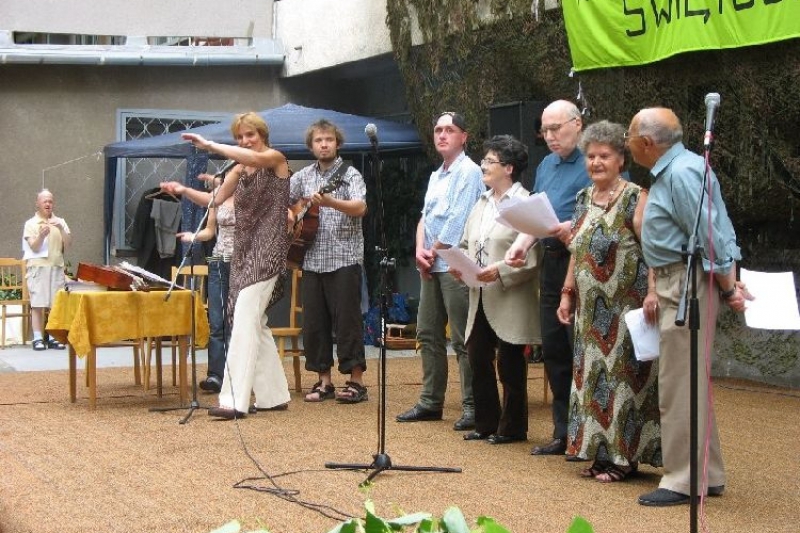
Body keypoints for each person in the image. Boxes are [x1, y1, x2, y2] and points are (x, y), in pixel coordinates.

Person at [626, 107, 751, 505]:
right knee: (688, 378)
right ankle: (706, 473)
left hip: (686, 280)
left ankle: (682, 479)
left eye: (630, 137)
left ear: (646, 143)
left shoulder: (682, 172)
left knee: (680, 382)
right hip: (677, 278)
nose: (628, 144)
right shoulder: (678, 169)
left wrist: (730, 286)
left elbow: (710, 234)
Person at [162, 112, 292, 419]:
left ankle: (233, 399)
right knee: (254, 322)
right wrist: (182, 191)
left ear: (262, 134)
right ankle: (274, 395)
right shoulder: (238, 169)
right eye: (240, 137)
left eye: (250, 135)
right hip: (243, 252)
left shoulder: (275, 159)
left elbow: (254, 159)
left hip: (268, 250)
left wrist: (210, 145)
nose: (246, 141)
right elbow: (215, 198)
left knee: (245, 317)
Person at [556, 120, 661, 482]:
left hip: (625, 308)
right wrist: (567, 292)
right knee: (592, 382)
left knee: (623, 382)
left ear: (620, 159)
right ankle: (600, 452)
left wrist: (652, 290)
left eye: (604, 156)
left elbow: (653, 251)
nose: (595, 162)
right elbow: (576, 248)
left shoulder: (636, 196)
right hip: (590, 311)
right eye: (590, 156)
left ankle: (624, 458)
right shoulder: (584, 198)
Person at [505, 100, 591, 456]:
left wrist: (571, 227)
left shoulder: (594, 160)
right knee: (554, 348)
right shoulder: (546, 165)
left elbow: (608, 210)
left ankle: (588, 433)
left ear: (578, 123)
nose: (551, 137)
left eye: (557, 128)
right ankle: (562, 430)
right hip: (551, 260)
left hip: (583, 261)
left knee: (581, 349)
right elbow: (539, 214)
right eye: (545, 130)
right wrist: (522, 244)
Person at [396, 111, 485, 430]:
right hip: (431, 264)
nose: (442, 135)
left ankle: (474, 406)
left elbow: (457, 220)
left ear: (464, 137)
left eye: (450, 130)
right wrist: (420, 251)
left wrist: (430, 254)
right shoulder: (437, 175)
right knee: (427, 333)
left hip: (454, 264)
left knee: (463, 337)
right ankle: (431, 401)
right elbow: (425, 218)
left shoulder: (470, 171)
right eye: (438, 130)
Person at [451, 135, 541, 444]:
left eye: (490, 162)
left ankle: (513, 427)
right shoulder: (481, 202)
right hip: (479, 294)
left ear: (509, 168)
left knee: (510, 363)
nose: (483, 166)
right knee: (476, 355)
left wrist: (499, 271)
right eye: (484, 161)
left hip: (511, 296)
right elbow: (466, 242)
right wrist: (458, 264)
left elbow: (530, 259)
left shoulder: (526, 203)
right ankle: (485, 422)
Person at [289, 119, 369, 404]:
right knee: (315, 322)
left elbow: (360, 207)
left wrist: (332, 202)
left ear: (337, 143)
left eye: (329, 140)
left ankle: (356, 381)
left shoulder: (350, 174)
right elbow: (286, 205)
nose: (324, 144)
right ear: (311, 146)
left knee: (347, 321)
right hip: (311, 257)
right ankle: (324, 381)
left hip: (344, 256)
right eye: (319, 140)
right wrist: (293, 217)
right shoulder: (302, 177)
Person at [176, 180, 234, 394]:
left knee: (237, 321)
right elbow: (210, 231)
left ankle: (238, 375)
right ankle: (215, 375)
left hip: (243, 263)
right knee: (217, 321)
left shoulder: (251, 195)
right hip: (219, 261)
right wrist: (194, 236)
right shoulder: (217, 197)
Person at [23, 189, 71, 351]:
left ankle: (53, 337)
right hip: (38, 267)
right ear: (37, 203)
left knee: (55, 304)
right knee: (38, 303)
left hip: (56, 266)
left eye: (50, 201)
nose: (48, 203)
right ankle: (37, 338)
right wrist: (41, 236)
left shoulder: (60, 221)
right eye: (44, 201)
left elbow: (69, 244)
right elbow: (34, 247)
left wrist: (62, 229)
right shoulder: (31, 223)